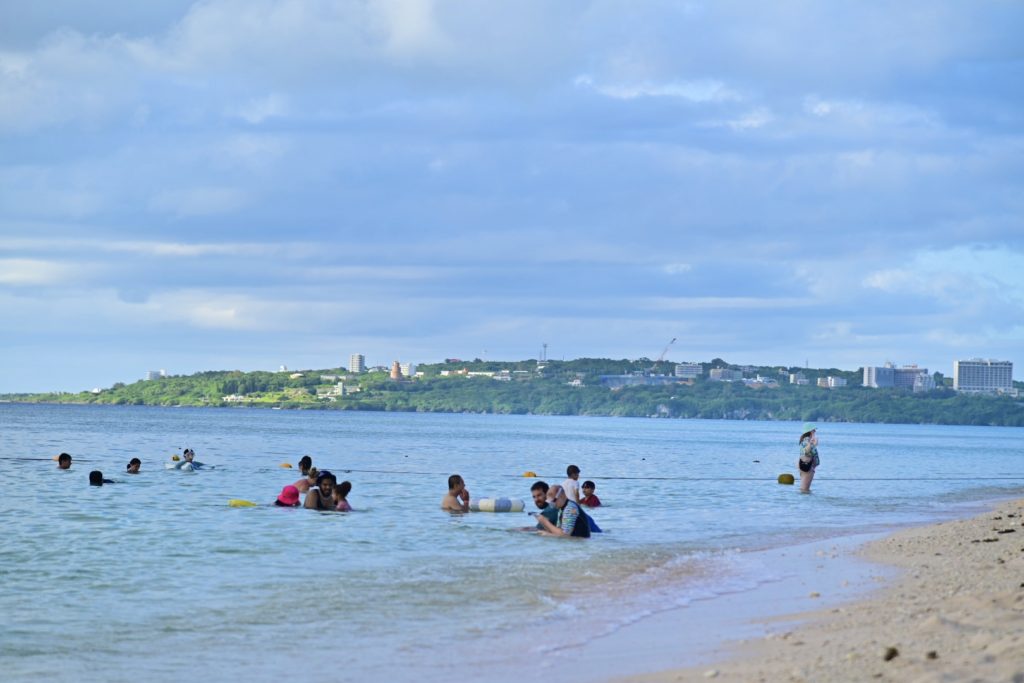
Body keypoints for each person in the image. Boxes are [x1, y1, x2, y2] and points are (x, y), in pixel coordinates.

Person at [798, 423, 820, 493]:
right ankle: (805, 503)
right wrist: (813, 444)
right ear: (810, 431)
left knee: (804, 488)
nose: (815, 432)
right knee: (805, 489)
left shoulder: (806, 440)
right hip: (808, 465)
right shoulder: (807, 440)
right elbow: (806, 452)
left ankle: (803, 502)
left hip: (806, 465)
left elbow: (808, 451)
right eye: (814, 430)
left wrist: (813, 444)